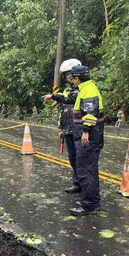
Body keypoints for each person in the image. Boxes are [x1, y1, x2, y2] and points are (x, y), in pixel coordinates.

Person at [68, 65, 104, 216]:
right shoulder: (87, 88)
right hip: (90, 137)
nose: (71, 80)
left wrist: (86, 132)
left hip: (89, 139)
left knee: (85, 171)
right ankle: (93, 201)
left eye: (72, 78)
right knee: (90, 170)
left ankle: (89, 205)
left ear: (77, 78)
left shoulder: (88, 91)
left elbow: (90, 114)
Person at [42, 58, 82, 194]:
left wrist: (54, 96)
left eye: (70, 74)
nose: (68, 77)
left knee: (81, 158)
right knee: (72, 158)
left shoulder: (81, 90)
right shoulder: (66, 90)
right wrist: (60, 128)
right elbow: (63, 110)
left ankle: (84, 184)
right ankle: (76, 183)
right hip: (68, 130)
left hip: (79, 129)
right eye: (66, 75)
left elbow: (69, 99)